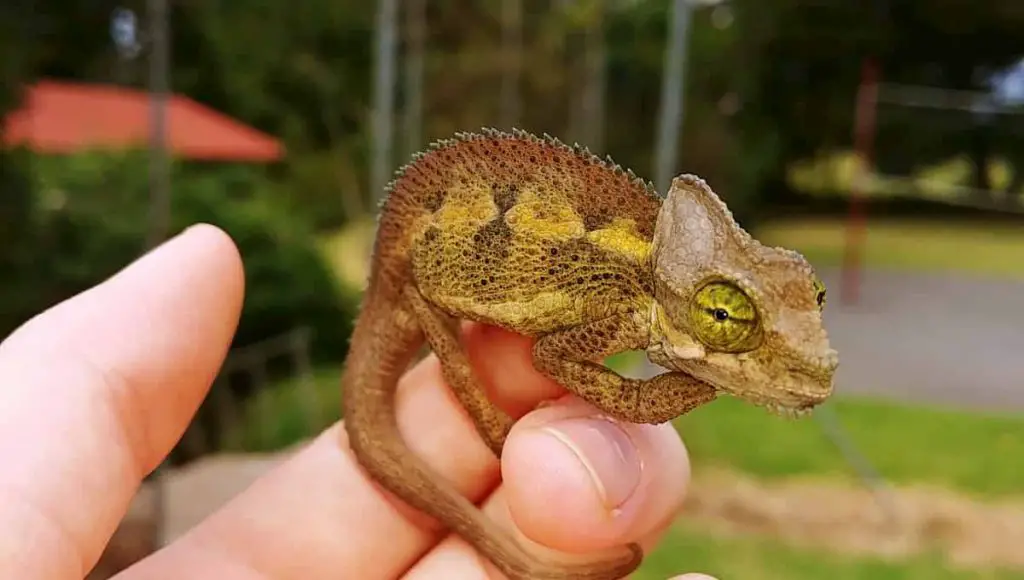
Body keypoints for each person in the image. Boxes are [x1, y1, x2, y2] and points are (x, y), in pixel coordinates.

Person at [0, 224, 716, 579]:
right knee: (486, 380)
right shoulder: (633, 296)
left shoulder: (635, 287)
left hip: (440, 268)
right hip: (420, 276)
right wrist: (640, 399)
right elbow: (555, 354)